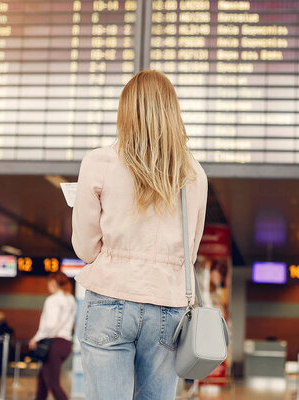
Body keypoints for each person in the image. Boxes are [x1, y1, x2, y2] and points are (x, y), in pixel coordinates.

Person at [72, 70, 208, 400]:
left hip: (109, 296)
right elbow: (189, 253)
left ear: (125, 111)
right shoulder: (193, 173)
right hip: (167, 305)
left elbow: (85, 248)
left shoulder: (100, 162)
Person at [29, 271, 76, 400]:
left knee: (53, 383)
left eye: (49, 283)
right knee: (43, 379)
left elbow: (50, 324)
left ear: (53, 282)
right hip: (66, 344)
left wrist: (36, 338)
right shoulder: (71, 299)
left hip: (54, 344)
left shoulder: (53, 300)